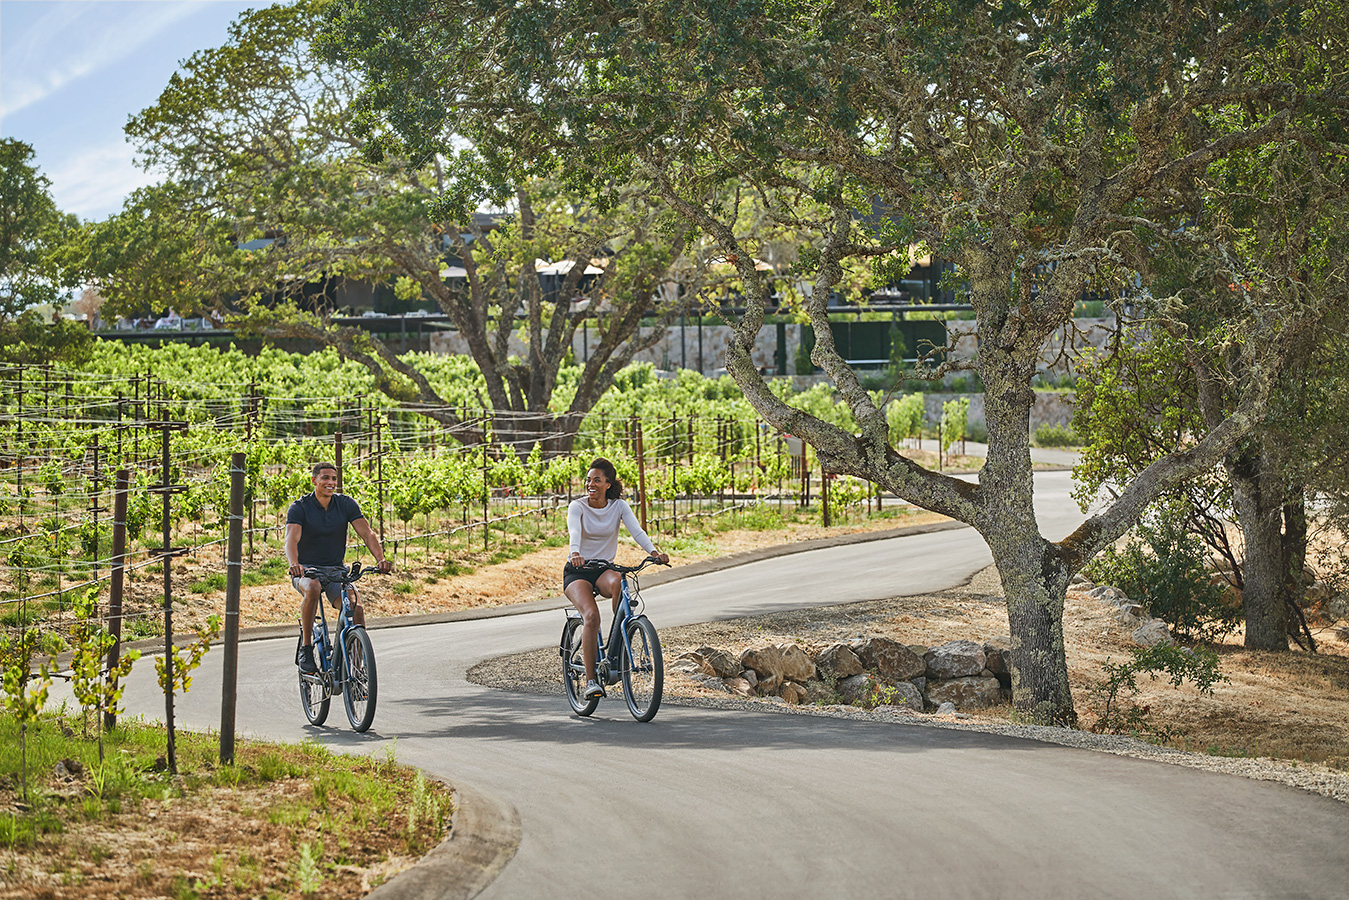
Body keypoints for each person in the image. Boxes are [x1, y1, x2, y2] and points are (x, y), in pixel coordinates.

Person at [564, 457, 668, 700]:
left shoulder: (618, 506)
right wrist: (575, 552)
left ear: (608, 484)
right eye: (588, 480)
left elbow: (637, 531)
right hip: (578, 570)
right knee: (591, 616)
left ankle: (616, 645)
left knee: (621, 585)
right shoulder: (577, 506)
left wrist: (653, 553)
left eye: (597, 480)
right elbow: (574, 532)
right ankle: (591, 681)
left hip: (602, 569)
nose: (591, 484)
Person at [286, 461, 392, 674]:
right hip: (307, 570)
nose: (330, 483)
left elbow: (367, 533)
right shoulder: (300, 507)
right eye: (325, 478)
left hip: (336, 570)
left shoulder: (345, 504)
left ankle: (356, 669)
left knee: (356, 608)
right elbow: (291, 539)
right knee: (313, 589)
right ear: (314, 480)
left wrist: (381, 559)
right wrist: (295, 565)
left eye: (334, 479)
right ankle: (306, 648)